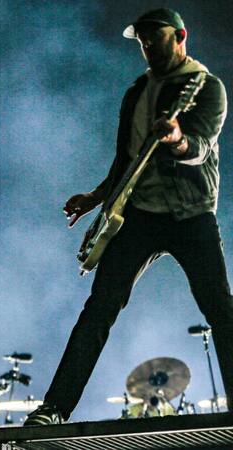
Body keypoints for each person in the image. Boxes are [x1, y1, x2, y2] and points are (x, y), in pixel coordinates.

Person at [25, 8, 231, 425]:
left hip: (190, 214)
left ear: (180, 36)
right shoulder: (136, 92)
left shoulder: (205, 87)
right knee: (99, 309)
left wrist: (177, 140)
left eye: (155, 37)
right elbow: (127, 161)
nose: (148, 45)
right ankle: (54, 409)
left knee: (219, 309)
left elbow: (201, 147)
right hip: (138, 216)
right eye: (142, 40)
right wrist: (96, 197)